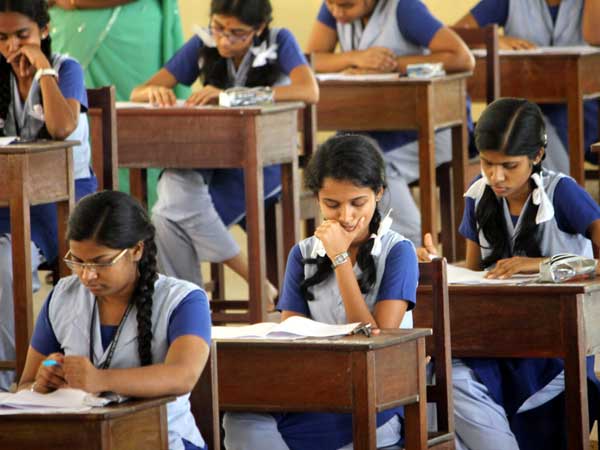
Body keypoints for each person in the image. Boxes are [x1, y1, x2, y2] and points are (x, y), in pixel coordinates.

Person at [419, 98, 600, 450]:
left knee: (457, 380)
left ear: (537, 156)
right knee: (433, 373)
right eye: (487, 163)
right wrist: (438, 266)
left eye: (509, 166)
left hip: (553, 345)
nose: (496, 176)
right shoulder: (478, 195)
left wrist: (541, 264)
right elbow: (474, 273)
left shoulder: (561, 193)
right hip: (495, 336)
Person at [223, 134, 419, 450]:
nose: (346, 216)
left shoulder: (399, 252)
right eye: (332, 204)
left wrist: (340, 258)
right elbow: (291, 336)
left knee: (258, 431)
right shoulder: (302, 254)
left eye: (357, 203)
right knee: (239, 419)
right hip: (315, 387)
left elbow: (378, 343)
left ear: (379, 193)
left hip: (374, 397)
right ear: (317, 199)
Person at [130, 0, 318, 309]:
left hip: (261, 163)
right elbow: (139, 91)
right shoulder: (204, 42)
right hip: (206, 158)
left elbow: (309, 91)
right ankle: (252, 281)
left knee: (166, 216)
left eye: (236, 33)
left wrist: (233, 96)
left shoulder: (280, 40)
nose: (224, 40)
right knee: (172, 199)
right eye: (218, 28)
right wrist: (154, 92)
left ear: (258, 29)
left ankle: (187, 309)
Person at [18, 190, 212, 450]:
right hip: (82, 441)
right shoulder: (63, 296)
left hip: (163, 439)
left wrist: (100, 379)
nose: (87, 276)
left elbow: (183, 376)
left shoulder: (183, 300)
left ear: (136, 250)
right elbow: (26, 384)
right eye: (78, 261)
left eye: (101, 263)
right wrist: (41, 385)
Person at [305, 0, 474, 245]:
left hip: (435, 129)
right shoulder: (335, 7)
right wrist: (356, 58)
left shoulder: (404, 8)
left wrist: (391, 65)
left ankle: (411, 244)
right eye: (330, 4)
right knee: (335, 160)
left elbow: (462, 57)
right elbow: (309, 61)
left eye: (346, 6)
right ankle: (351, 252)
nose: (336, 11)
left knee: (368, 163)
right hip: (370, 127)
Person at [0, 0, 97, 392]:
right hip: (8, 198)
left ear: (43, 30)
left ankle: (10, 380)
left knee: (3, 265)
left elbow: (61, 128)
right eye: (2, 38)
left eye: (22, 35)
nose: (12, 47)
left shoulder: (66, 68)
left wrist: (42, 70)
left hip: (61, 202)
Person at [48, 0, 191, 208]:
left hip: (131, 28)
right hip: (64, 25)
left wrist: (75, 1)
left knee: (134, 133)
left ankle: (136, 221)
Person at [455, 0, 600, 174]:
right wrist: (493, 40)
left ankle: (550, 185)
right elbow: (457, 35)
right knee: (514, 126)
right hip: (526, 103)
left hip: (584, 105)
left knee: (534, 129)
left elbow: (595, 35)